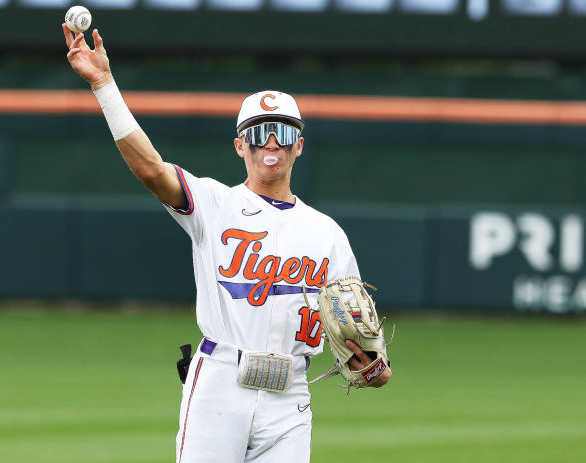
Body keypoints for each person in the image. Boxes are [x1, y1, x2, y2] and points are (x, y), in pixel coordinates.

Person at [63, 24, 391, 463]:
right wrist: (104, 84)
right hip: (221, 382)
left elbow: (349, 328)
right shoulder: (215, 204)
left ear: (299, 146)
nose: (271, 142)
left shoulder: (328, 234)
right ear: (240, 146)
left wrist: (368, 363)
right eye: (258, 133)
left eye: (283, 132)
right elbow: (151, 170)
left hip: (290, 393)